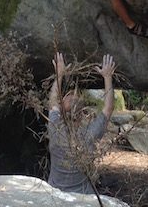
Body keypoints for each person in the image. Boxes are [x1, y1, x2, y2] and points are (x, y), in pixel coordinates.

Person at [47, 52, 117, 194]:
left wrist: (59, 74)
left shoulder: (55, 129)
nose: (73, 96)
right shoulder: (89, 134)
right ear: (83, 114)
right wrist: (108, 77)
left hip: (55, 194)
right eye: (70, 95)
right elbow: (108, 108)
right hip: (83, 197)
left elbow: (53, 101)